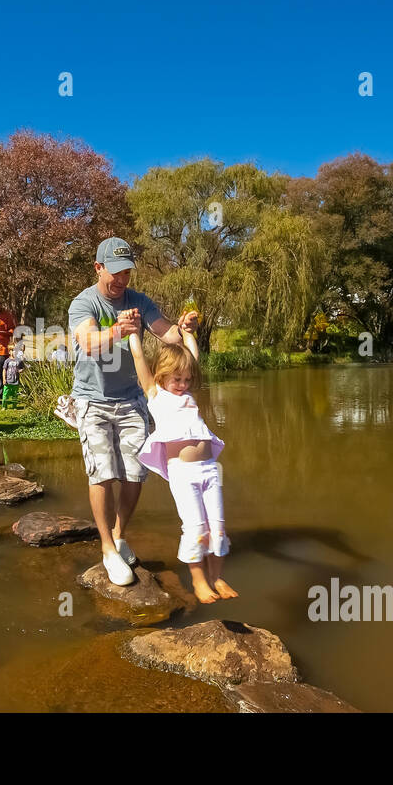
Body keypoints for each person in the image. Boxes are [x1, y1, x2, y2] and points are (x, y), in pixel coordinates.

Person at [68, 236, 200, 586]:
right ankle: (107, 550)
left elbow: (165, 333)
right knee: (102, 473)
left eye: (126, 272)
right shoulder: (84, 303)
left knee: (134, 473)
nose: (122, 279)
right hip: (92, 400)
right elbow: (88, 343)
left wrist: (183, 328)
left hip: (131, 400)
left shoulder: (138, 301)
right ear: (98, 268)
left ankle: (119, 534)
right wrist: (119, 330)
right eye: (115, 272)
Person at [127, 313, 234, 603]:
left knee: (217, 526)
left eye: (187, 379)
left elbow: (192, 356)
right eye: (177, 379)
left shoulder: (187, 395)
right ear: (161, 375)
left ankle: (217, 577)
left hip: (210, 470)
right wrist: (134, 332)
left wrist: (188, 332)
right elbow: (139, 359)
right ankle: (199, 582)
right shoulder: (156, 394)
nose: (183, 384)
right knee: (196, 527)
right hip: (183, 474)